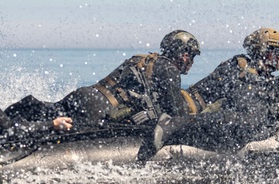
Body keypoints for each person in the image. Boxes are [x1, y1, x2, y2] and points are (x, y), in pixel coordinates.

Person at [11, 30, 201, 128]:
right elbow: (176, 115)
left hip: (85, 95)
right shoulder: (169, 69)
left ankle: (15, 114)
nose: (191, 61)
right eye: (191, 55)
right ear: (181, 53)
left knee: (46, 112)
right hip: (96, 111)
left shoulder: (141, 59)